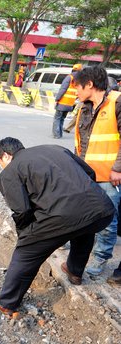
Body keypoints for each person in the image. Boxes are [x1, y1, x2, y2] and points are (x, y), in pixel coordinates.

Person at [0, 137, 114, 316]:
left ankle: (7, 302)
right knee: (85, 226)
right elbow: (90, 173)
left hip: (64, 215)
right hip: (102, 209)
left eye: (0, 163)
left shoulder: (10, 171)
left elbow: (22, 211)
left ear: (6, 156)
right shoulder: (56, 148)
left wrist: (25, 236)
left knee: (26, 252)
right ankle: (75, 271)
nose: (1, 167)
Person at [74, 66, 121, 276]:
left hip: (110, 178)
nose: (75, 91)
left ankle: (101, 258)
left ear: (90, 85)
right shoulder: (85, 107)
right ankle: (77, 253)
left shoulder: (117, 103)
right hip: (86, 174)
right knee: (82, 215)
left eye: (78, 87)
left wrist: (118, 169)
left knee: (108, 222)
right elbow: (82, 142)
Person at [52, 63, 82, 138]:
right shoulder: (79, 80)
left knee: (57, 118)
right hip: (70, 103)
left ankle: (56, 135)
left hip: (62, 102)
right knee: (62, 119)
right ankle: (60, 134)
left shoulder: (69, 77)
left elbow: (63, 89)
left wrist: (57, 99)